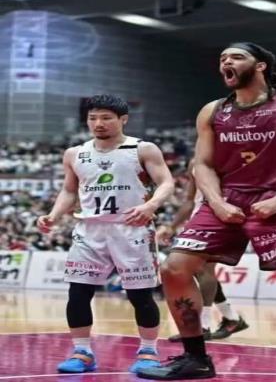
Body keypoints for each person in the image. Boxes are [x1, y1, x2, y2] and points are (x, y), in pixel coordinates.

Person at [138, 42, 276, 381]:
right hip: (227, 198)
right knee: (174, 268)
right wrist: (217, 202)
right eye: (222, 58)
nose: (226, 62)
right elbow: (202, 164)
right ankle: (196, 359)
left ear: (260, 66)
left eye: (236, 57)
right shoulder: (212, 111)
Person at [37, 94, 174, 374]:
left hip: (132, 228)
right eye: (93, 118)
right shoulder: (75, 153)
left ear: (123, 119)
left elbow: (166, 183)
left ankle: (148, 351)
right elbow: (69, 191)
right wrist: (54, 215)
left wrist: (150, 205)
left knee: (140, 296)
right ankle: (82, 353)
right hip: (90, 230)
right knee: (78, 293)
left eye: (106, 118)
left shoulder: (143, 149)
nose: (98, 123)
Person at [157, 160, 248, 342]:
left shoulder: (230, 157)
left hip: (221, 217)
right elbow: (189, 201)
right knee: (194, 269)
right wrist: (172, 226)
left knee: (205, 269)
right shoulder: (195, 162)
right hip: (198, 219)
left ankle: (203, 326)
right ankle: (231, 318)